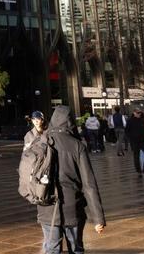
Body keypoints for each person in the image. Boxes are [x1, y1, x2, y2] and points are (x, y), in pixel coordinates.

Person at [37, 106, 106, 254]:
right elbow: (89, 185)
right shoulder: (77, 146)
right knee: (75, 248)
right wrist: (98, 218)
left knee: (52, 249)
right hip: (72, 207)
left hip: (46, 206)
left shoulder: (42, 141)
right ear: (70, 122)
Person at [125, 107, 144, 176]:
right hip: (134, 141)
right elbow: (127, 131)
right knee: (136, 156)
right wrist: (131, 138)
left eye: (140, 112)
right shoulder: (130, 121)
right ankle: (139, 171)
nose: (139, 114)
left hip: (142, 141)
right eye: (138, 113)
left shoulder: (142, 120)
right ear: (134, 113)